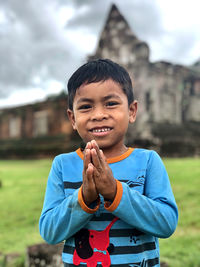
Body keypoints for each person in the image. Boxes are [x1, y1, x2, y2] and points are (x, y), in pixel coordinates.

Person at [39, 59, 178, 267]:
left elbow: (166, 223)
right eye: (86, 107)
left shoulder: (148, 161)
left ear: (131, 111)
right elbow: (50, 232)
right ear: (73, 118)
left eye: (111, 103)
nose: (99, 115)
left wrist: (115, 192)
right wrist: (84, 198)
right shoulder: (62, 165)